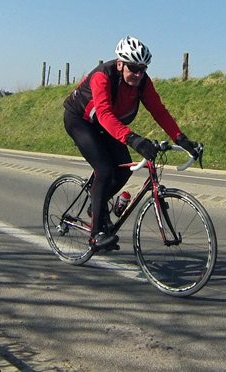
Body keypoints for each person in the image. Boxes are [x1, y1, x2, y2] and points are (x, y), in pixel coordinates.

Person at [63, 36, 199, 250]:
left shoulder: (142, 82)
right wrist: (133, 139)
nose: (138, 74)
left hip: (107, 125)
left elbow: (158, 111)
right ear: (120, 64)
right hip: (80, 120)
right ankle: (96, 235)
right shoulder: (102, 76)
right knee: (104, 169)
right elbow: (104, 114)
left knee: (125, 168)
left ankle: (96, 207)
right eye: (133, 68)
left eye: (142, 69)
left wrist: (180, 138)